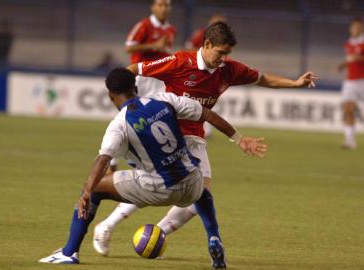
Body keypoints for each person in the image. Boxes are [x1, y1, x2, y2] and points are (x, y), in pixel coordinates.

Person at [93, 22, 318, 256]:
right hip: (169, 136)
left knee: (197, 197)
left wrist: (294, 82)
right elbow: (134, 69)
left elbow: (262, 79)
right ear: (207, 44)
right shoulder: (179, 62)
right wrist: (131, 105)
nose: (223, 59)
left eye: (227, 54)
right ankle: (106, 227)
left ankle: (154, 234)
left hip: (196, 138)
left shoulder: (229, 70)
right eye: (221, 53)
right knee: (161, 187)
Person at [38, 68, 267, 269]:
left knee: (96, 188)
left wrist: (87, 192)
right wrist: (238, 138)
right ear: (135, 87)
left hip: (158, 188)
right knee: (203, 190)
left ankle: (69, 253)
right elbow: (206, 114)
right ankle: (214, 238)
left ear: (110, 96)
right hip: (192, 184)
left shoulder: (119, 123)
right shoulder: (165, 100)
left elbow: (103, 160)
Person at [108, 0, 177, 170]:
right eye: (160, 4)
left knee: (156, 118)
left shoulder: (170, 30)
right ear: (153, 7)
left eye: (167, 5)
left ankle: (147, 161)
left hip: (159, 81)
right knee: (126, 116)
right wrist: (153, 45)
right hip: (141, 78)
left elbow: (165, 54)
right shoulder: (144, 25)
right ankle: (112, 159)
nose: (164, 8)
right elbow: (129, 47)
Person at [338, 18, 364, 149]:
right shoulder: (348, 43)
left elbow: (356, 58)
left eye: (358, 27)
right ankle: (350, 140)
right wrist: (343, 65)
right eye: (353, 27)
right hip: (350, 81)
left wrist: (359, 58)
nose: (355, 30)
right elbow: (350, 59)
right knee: (347, 108)